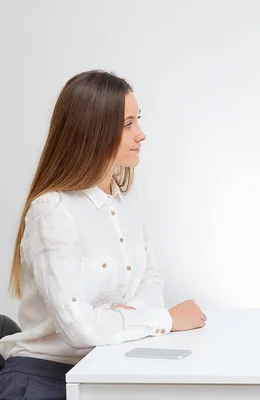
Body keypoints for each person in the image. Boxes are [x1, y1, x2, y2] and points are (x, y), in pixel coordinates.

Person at [0, 70, 206, 400]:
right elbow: (79, 330)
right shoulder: (52, 211)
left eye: (138, 120)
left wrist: (123, 317)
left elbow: (150, 280)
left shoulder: (127, 198)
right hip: (46, 378)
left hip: (108, 368)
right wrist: (164, 319)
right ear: (93, 130)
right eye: (128, 124)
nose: (141, 135)